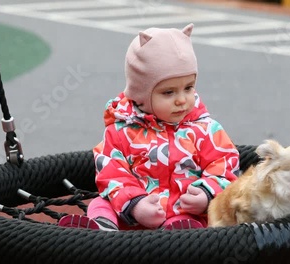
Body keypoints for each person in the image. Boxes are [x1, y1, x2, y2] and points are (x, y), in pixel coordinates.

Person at [58, 23, 240, 231]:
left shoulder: (206, 129)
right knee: (101, 202)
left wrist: (206, 193)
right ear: (141, 95)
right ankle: (101, 229)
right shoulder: (122, 130)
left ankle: (179, 235)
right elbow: (111, 172)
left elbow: (225, 166)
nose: (182, 100)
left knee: (191, 220)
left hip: (181, 210)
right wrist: (136, 203)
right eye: (168, 92)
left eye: (188, 88)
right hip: (130, 213)